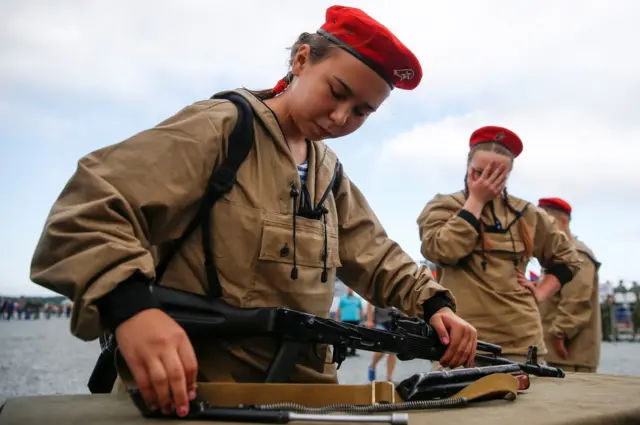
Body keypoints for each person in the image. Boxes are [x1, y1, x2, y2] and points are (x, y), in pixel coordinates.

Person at [29, 5, 477, 418]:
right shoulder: (224, 128)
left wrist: (433, 302)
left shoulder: (328, 173)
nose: (342, 118)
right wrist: (131, 309)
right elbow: (87, 208)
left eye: (362, 111)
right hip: (199, 397)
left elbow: (375, 253)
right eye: (337, 92)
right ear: (302, 60)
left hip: (304, 400)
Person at [416, 126, 581, 366]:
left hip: (521, 341)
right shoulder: (444, 206)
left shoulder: (527, 214)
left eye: (497, 176)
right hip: (461, 342)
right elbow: (442, 251)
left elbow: (568, 258)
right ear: (467, 166)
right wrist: (476, 201)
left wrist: (541, 290)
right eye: (479, 172)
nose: (486, 182)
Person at [533, 198, 602, 373]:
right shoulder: (559, 254)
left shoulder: (577, 255)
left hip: (569, 353)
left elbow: (576, 300)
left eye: (546, 222)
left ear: (562, 221)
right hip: (558, 351)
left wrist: (559, 333)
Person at [366, 304, 397, 381]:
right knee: (381, 350)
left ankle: (389, 378)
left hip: (395, 322)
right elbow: (369, 303)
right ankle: (372, 366)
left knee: (393, 351)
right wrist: (369, 320)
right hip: (380, 321)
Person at [336, 288, 363, 355]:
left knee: (355, 336)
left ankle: (353, 352)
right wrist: (337, 317)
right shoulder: (343, 299)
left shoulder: (357, 299)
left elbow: (360, 308)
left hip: (355, 319)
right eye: (348, 289)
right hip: (345, 319)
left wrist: (360, 317)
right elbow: (339, 308)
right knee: (345, 336)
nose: (349, 290)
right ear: (347, 290)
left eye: (351, 289)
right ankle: (345, 351)